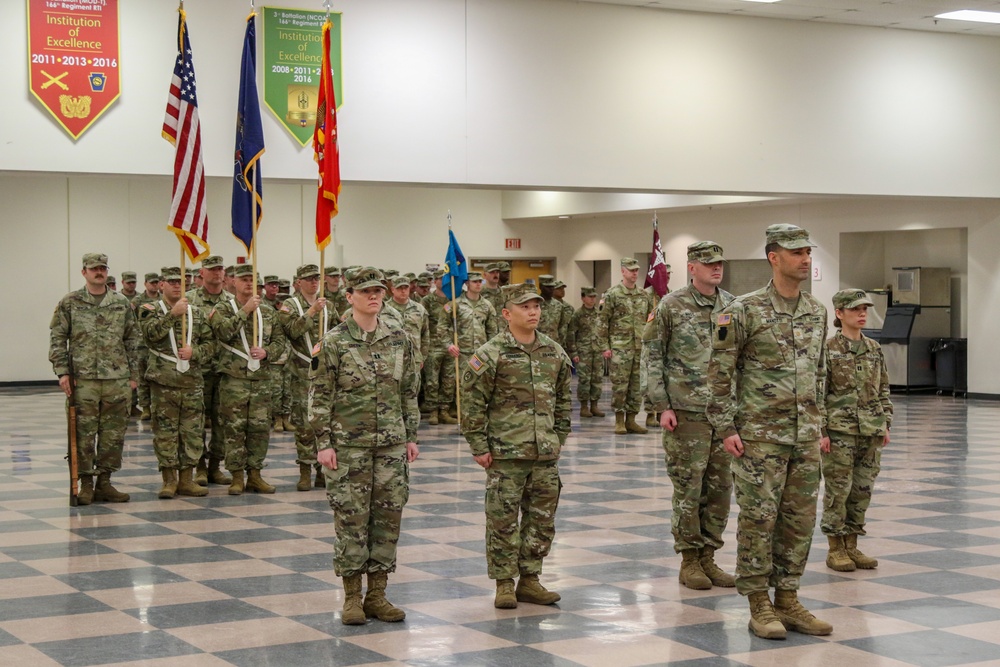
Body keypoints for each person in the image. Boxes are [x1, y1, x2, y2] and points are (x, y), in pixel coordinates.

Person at [706, 223, 831, 639]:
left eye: (808, 252)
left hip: (805, 436)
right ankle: (758, 601)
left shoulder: (817, 311)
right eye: (796, 253)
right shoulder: (740, 310)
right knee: (759, 519)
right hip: (759, 436)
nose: (806, 259)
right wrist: (725, 426)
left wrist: (822, 426)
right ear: (773, 257)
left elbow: (820, 373)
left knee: (799, 520)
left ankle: (789, 598)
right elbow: (719, 374)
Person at [312, 266, 420, 625]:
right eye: (365, 291)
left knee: (388, 520)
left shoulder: (399, 338)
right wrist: (324, 443)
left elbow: (408, 391)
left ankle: (378, 594)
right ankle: (353, 597)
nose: (374, 296)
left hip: (390, 445)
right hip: (349, 447)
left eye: (378, 291)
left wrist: (410, 436)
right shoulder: (334, 342)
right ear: (349, 297)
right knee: (352, 521)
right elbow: (320, 397)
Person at [462, 283, 572, 609]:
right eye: (525, 307)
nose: (533, 311)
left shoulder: (553, 352)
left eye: (536, 306)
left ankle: (530, 579)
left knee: (541, 519)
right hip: (505, 452)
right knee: (502, 519)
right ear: (507, 313)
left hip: (544, 454)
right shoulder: (490, 354)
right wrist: (478, 445)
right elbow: (471, 404)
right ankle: (504, 583)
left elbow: (565, 400)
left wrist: (558, 437)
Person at [646, 242, 735, 590]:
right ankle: (689, 560)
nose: (716, 268)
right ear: (692, 267)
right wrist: (661, 405)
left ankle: (709, 556)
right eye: (708, 263)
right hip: (686, 412)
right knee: (689, 489)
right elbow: (652, 355)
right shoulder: (671, 305)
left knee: (720, 489)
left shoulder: (732, 305)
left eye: (719, 263)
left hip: (724, 414)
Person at [49, 253, 139, 505]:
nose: (99, 272)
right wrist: (62, 372)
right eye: (93, 269)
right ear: (84, 272)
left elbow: (132, 340)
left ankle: (105, 483)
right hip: (83, 380)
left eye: (102, 268)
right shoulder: (70, 302)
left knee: (113, 434)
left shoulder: (121, 303)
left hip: (116, 379)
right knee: (83, 434)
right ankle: (86, 483)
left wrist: (134, 376)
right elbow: (57, 337)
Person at [821, 289, 892, 572]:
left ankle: (852, 543)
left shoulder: (874, 348)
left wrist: (885, 422)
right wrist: (821, 431)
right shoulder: (828, 350)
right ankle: (835, 547)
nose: (862, 314)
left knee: (862, 489)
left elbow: (884, 388)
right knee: (839, 490)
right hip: (840, 430)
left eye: (865, 309)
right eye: (855, 310)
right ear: (839, 314)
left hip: (871, 430)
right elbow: (818, 393)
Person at [209, 264, 287, 495]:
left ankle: (255, 475)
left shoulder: (269, 311)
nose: (249, 284)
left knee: (260, 429)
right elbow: (222, 332)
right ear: (233, 282)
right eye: (244, 279)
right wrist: (244, 311)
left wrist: (267, 353)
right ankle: (236, 476)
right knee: (234, 429)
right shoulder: (223, 307)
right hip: (234, 379)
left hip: (261, 378)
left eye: (254, 281)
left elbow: (280, 341)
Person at [138, 267, 212, 499]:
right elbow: (150, 334)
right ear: (161, 285)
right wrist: (172, 314)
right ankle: (169, 480)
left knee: (192, 432)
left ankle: (187, 479)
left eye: (182, 281)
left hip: (191, 382)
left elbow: (211, 345)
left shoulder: (197, 313)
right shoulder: (149, 309)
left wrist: (196, 352)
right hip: (164, 382)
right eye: (171, 282)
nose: (177, 285)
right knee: (166, 433)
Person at [280, 264, 339, 491]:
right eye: (309, 279)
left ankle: (323, 471)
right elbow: (292, 331)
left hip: (325, 373)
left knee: (326, 422)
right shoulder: (290, 305)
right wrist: (312, 311)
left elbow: (336, 333)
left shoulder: (329, 306)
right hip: (302, 373)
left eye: (316, 278)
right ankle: (305, 470)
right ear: (298, 283)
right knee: (304, 424)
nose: (314, 282)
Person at [600, 257, 656, 435]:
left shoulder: (643, 295)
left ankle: (631, 419)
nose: (634, 273)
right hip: (620, 347)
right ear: (623, 271)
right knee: (620, 385)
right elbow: (603, 321)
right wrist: (605, 346)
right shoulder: (613, 294)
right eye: (631, 270)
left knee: (637, 386)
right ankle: (619, 420)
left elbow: (650, 320)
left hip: (639, 347)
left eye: (636, 270)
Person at [422, 270, 457, 425]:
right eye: (439, 279)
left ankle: (444, 410)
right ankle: (433, 411)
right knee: (432, 381)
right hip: (433, 345)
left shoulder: (454, 300)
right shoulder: (427, 300)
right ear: (434, 282)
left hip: (450, 345)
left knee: (449, 380)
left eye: (445, 279)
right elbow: (423, 323)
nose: (442, 282)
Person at [566, 286, 605, 418]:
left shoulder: (599, 313)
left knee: (597, 379)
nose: (592, 299)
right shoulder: (577, 315)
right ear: (583, 298)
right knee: (584, 380)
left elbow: (603, 332)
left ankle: (594, 405)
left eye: (594, 297)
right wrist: (574, 353)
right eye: (590, 297)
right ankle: (584, 406)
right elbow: (571, 334)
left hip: (597, 351)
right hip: (584, 352)